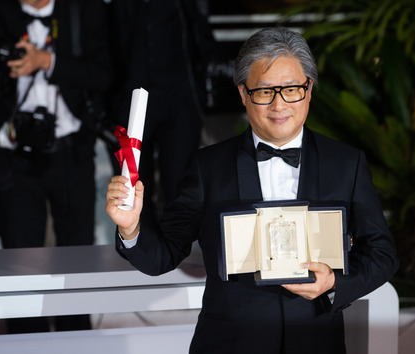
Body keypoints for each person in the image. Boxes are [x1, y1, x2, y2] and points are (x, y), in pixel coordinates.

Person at [106, 27, 399, 353]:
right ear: (243, 93)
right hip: (229, 344)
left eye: (291, 89)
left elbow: (382, 254)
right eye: (264, 91)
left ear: (310, 89)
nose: (279, 104)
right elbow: (163, 255)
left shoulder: (346, 163)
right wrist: (130, 227)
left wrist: (334, 284)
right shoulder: (208, 168)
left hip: (316, 343)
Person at [0, 0, 113, 333]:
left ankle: (77, 338)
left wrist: (46, 61)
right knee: (20, 263)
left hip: (70, 148)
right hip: (14, 153)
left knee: (77, 258)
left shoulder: (84, 9)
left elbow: (104, 74)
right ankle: (24, 339)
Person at [107, 0, 217, 225]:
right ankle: (138, 247)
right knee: (131, 186)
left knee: (180, 184)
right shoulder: (115, 6)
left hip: (179, 100)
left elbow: (202, 37)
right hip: (127, 102)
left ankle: (176, 249)